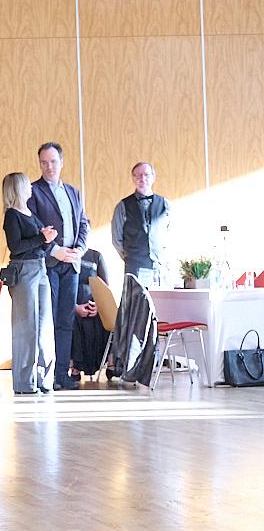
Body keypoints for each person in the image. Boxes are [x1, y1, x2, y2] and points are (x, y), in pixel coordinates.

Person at [27, 142, 89, 391]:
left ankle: (62, 374)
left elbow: (84, 223)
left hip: (72, 265)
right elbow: (33, 227)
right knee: (48, 321)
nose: (49, 167)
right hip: (49, 264)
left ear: (62, 162)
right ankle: (47, 374)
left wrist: (79, 250)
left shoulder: (73, 192)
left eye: (53, 162)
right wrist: (55, 251)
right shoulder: (33, 192)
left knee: (65, 321)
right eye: (44, 162)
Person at [2, 173, 57, 395]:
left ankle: (45, 378)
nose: (30, 188)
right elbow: (16, 247)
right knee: (26, 327)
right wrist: (41, 239)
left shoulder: (30, 214)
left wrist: (45, 238)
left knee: (44, 325)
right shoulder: (12, 216)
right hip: (24, 270)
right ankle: (25, 381)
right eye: (26, 185)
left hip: (40, 267)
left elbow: (39, 244)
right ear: (18, 189)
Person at [111, 161, 170, 280]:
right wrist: (131, 256)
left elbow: (170, 233)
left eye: (146, 175)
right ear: (133, 179)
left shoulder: (165, 204)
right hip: (135, 267)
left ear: (153, 177)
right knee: (136, 298)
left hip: (159, 266)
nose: (142, 178)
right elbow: (116, 239)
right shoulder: (122, 206)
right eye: (138, 175)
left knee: (161, 298)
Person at [71, 248, 111, 378]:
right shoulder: (67, 255)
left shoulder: (96, 256)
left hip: (94, 305)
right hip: (71, 304)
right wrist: (75, 307)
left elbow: (105, 286)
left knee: (106, 321)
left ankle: (110, 363)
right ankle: (75, 366)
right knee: (72, 320)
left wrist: (98, 306)